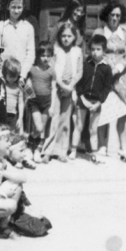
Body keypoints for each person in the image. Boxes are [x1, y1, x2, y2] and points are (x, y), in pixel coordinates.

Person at [93, 0, 126, 159]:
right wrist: (107, 68)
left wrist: (119, 68)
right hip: (104, 75)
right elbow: (96, 52)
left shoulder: (125, 34)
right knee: (105, 109)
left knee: (123, 110)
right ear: (107, 16)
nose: (115, 18)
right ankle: (102, 146)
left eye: (118, 15)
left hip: (121, 77)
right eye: (112, 15)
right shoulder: (100, 32)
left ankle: (123, 148)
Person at [0, 0, 36, 127]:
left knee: (27, 102)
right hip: (4, 76)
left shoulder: (28, 27)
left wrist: (22, 75)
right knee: (4, 105)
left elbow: (30, 53)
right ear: (7, 7)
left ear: (23, 7)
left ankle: (24, 135)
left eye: (19, 7)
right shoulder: (0, 27)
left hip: (21, 76)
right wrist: (0, 75)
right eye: (13, 7)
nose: (16, 10)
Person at [42, 24, 83, 163]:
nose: (66, 39)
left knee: (66, 120)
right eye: (64, 36)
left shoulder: (78, 51)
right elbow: (53, 70)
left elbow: (79, 72)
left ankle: (62, 151)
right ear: (60, 36)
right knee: (54, 118)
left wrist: (71, 86)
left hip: (70, 89)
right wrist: (62, 85)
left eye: (69, 36)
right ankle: (48, 151)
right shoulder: (56, 50)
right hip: (57, 87)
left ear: (74, 37)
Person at [71, 35, 112, 163]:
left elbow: (107, 88)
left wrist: (99, 103)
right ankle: (73, 150)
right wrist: (82, 98)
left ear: (104, 51)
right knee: (79, 125)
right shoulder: (86, 64)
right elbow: (80, 83)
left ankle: (94, 153)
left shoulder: (106, 68)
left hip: (96, 102)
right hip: (83, 99)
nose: (95, 52)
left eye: (98, 49)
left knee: (93, 129)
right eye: (93, 49)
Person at [26, 43, 55, 162]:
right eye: (43, 55)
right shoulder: (32, 69)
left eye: (48, 56)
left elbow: (54, 88)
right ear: (38, 56)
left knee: (42, 128)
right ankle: (28, 145)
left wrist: (52, 106)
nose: (46, 58)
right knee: (38, 127)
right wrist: (30, 96)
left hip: (47, 103)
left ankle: (37, 149)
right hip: (35, 102)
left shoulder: (51, 71)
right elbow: (26, 84)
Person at [2, 56, 23, 132]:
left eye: (15, 76)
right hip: (2, 114)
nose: (13, 79)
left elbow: (31, 94)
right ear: (5, 73)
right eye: (10, 76)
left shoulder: (19, 85)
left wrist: (20, 118)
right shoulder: (1, 82)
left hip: (13, 116)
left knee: (11, 134)